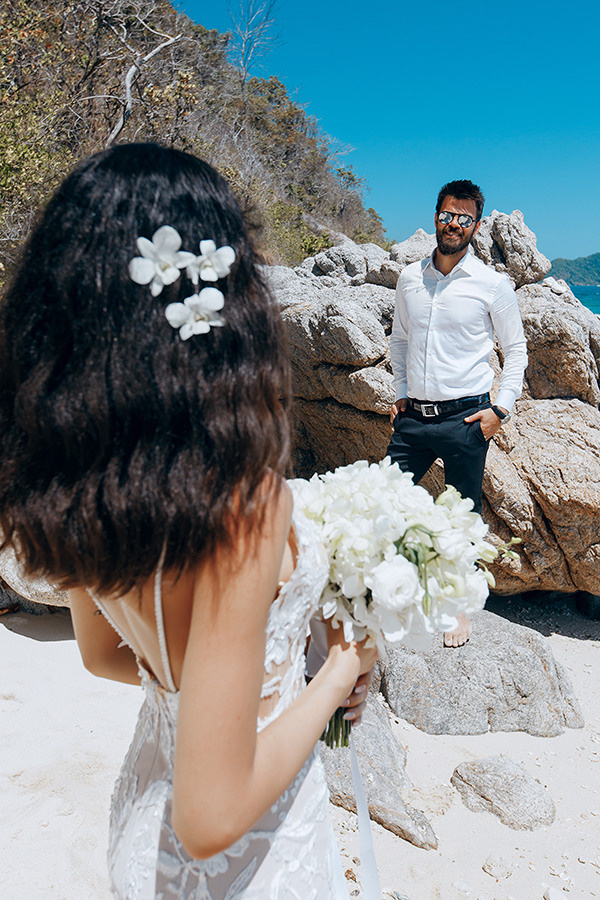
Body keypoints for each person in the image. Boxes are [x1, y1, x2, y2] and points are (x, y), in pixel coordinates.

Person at [0, 143, 377, 898]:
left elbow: (102, 655)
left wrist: (196, 692)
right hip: (250, 864)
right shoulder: (241, 506)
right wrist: (340, 671)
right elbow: (215, 816)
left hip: (145, 826)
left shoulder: (80, 482)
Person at [386, 179, 528, 647]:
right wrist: (401, 391)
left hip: (467, 417)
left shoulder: (492, 284)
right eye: (448, 214)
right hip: (413, 419)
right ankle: (388, 594)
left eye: (465, 218)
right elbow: (401, 341)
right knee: (387, 503)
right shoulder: (410, 278)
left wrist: (499, 411)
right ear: (435, 215)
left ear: (477, 225)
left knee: (461, 518)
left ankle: (459, 609)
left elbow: (517, 351)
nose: (454, 224)